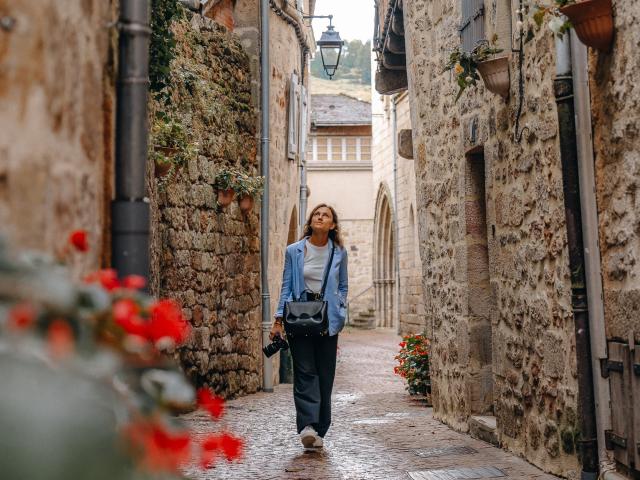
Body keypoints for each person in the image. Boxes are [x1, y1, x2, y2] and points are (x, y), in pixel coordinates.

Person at [271, 203, 349, 449]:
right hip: (299, 317)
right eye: (316, 213)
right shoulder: (294, 251)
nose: (320, 217)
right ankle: (307, 426)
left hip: (327, 319)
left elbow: (343, 285)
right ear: (311, 220)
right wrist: (278, 319)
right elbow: (286, 286)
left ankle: (320, 429)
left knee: (325, 373)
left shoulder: (339, 252)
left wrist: (340, 308)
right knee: (305, 372)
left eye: (325, 215)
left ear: (332, 225)